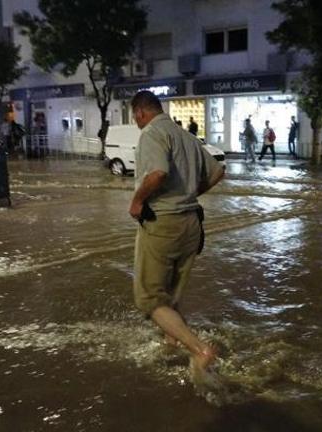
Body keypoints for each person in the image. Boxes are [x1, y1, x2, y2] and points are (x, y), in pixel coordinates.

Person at [127, 90, 225, 382]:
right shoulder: (185, 135)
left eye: (135, 118)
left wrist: (137, 201)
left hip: (163, 223)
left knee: (149, 298)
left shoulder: (152, 133)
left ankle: (199, 349)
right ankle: (171, 343)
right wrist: (190, 195)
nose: (137, 123)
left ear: (140, 113)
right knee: (172, 294)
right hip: (191, 223)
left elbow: (157, 173)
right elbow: (218, 171)